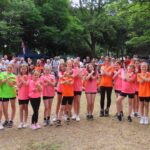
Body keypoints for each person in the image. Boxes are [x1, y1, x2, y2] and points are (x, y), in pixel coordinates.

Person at [0, 64, 16, 128]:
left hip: (12, 93)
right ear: (6, 67)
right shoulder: (2, 74)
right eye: (8, 67)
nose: (9, 69)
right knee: (5, 109)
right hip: (4, 94)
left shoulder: (14, 76)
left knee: (13, 107)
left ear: (13, 69)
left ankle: (11, 121)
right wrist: (7, 77)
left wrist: (7, 78)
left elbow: (11, 85)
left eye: (11, 68)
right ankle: (7, 120)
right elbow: (1, 83)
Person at [17, 64, 29, 129]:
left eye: (25, 69)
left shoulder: (29, 76)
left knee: (26, 107)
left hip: (27, 95)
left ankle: (25, 122)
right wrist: (22, 79)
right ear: (20, 69)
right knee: (21, 108)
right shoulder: (18, 76)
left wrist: (22, 79)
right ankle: (21, 122)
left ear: (27, 69)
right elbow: (18, 86)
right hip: (21, 95)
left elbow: (27, 84)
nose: (23, 70)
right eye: (22, 69)